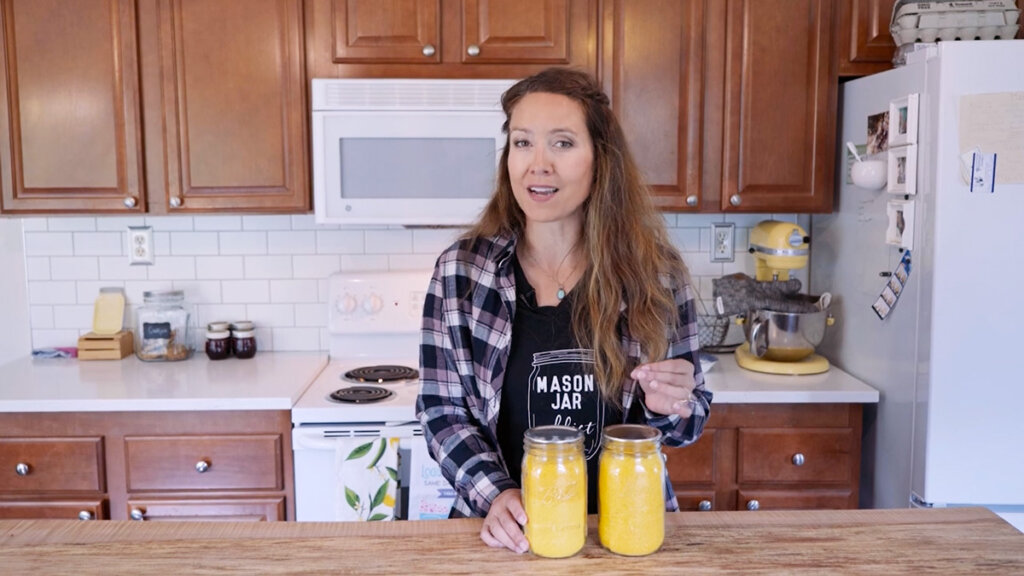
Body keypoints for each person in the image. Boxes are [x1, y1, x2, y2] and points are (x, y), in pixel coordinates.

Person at [416, 67, 712, 554]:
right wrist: (497, 494)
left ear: (601, 159)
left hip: (625, 535)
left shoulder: (656, 276)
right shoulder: (461, 274)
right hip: (509, 536)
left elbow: (688, 420)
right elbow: (442, 412)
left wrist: (673, 405)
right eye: (523, 143)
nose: (538, 165)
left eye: (562, 143)